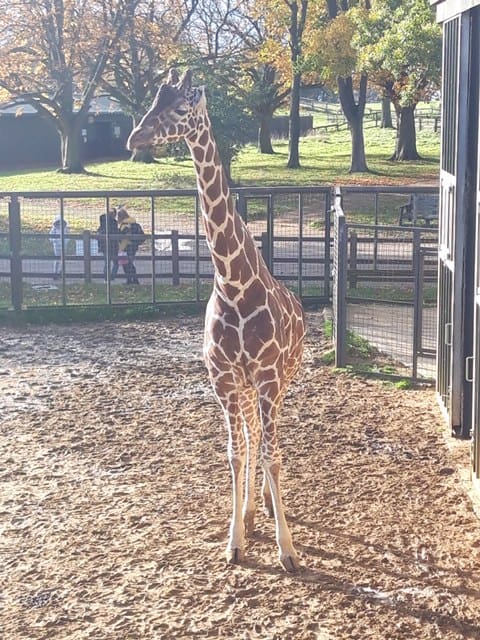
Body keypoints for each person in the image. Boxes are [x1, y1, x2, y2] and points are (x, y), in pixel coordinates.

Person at [117, 207, 142, 284]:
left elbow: (124, 237)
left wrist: (121, 248)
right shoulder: (134, 223)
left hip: (126, 247)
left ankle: (133, 280)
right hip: (134, 246)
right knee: (129, 263)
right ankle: (132, 280)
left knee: (127, 264)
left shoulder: (124, 225)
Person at [97, 207, 119, 281]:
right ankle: (112, 277)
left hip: (104, 246)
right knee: (116, 263)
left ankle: (106, 278)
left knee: (107, 263)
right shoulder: (114, 223)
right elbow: (116, 233)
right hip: (113, 246)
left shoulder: (102, 222)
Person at [48, 214, 69, 279]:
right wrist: (55, 240)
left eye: (61, 222)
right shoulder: (54, 229)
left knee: (63, 259)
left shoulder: (65, 229)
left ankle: (61, 271)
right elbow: (50, 236)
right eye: (58, 222)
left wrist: (66, 241)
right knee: (57, 259)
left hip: (64, 246)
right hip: (56, 246)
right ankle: (55, 272)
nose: (60, 224)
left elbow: (68, 236)